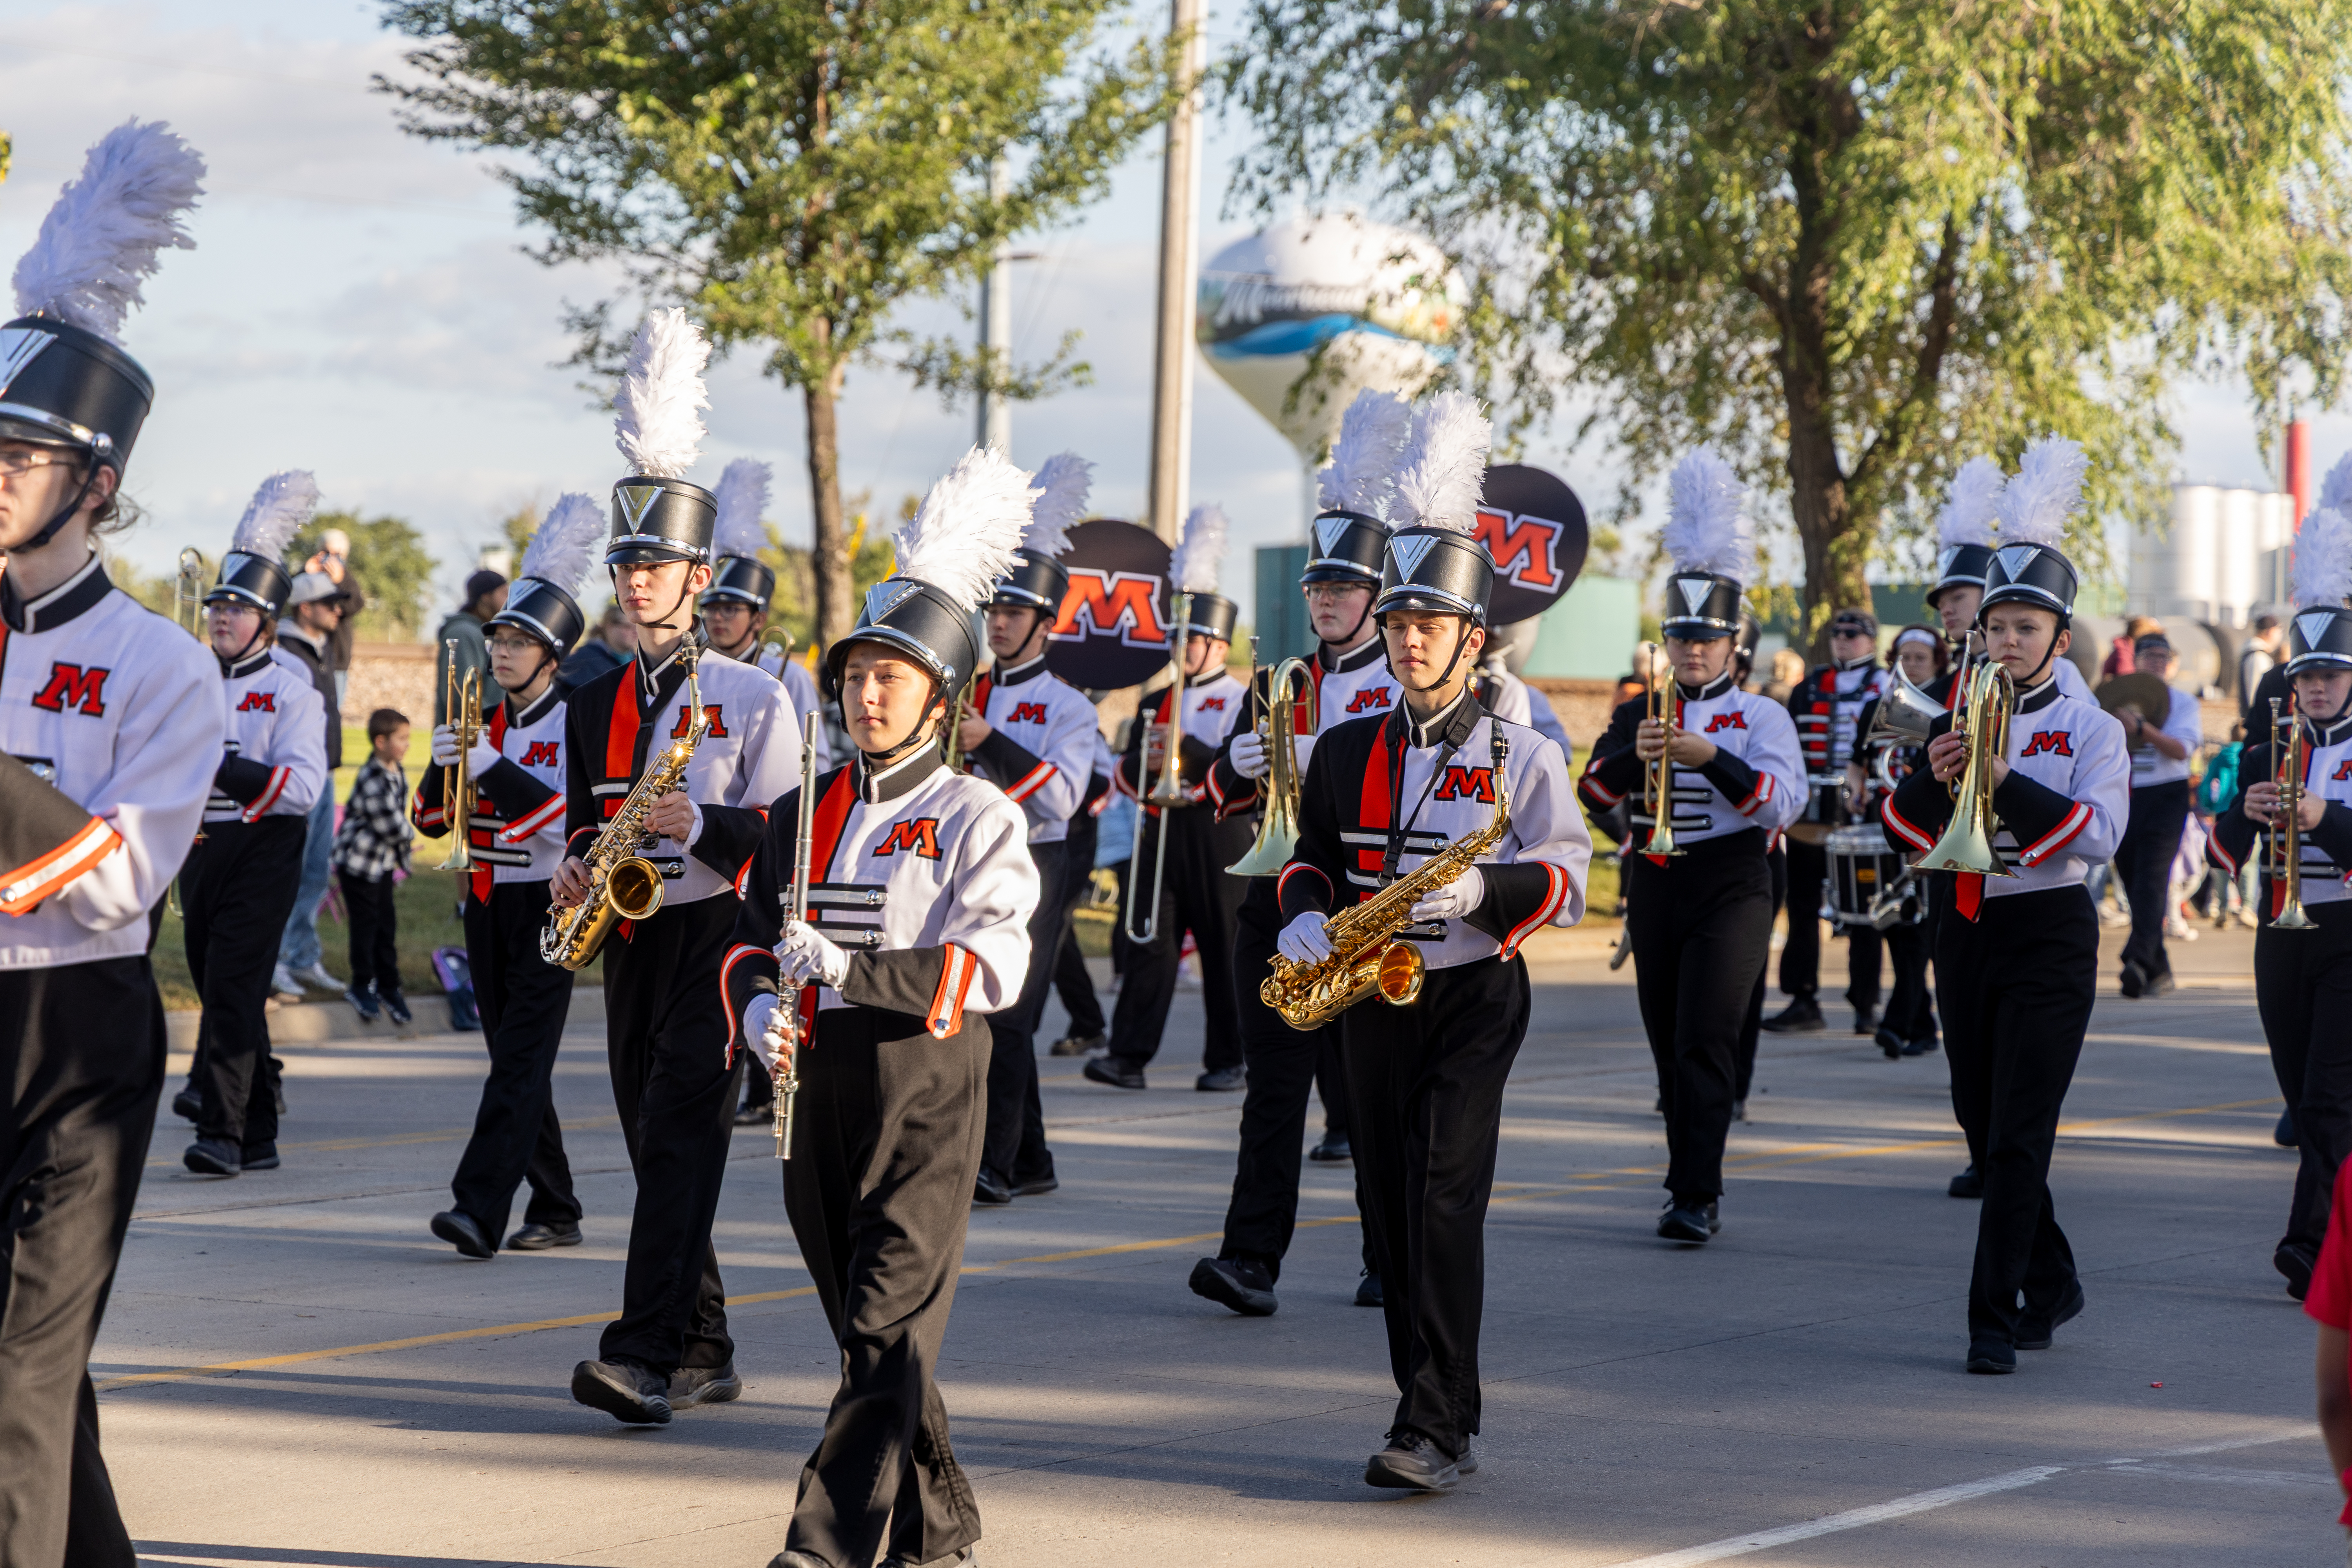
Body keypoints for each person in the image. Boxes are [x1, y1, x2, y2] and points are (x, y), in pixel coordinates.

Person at [725, 445, 1040, 1568]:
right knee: (873, 1338)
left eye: (891, 678)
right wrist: (760, 1004)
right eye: (857, 674)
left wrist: (856, 975)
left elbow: (987, 967)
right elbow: (748, 944)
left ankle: (823, 1548)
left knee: (882, 1326)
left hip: (926, 1085)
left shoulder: (976, 815)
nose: (866, 694)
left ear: (940, 699)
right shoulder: (798, 811)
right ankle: (940, 1520)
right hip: (816, 1090)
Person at [1275, 391, 1589, 1492]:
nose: (1409, 643)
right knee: (1384, 1213)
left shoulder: (1521, 747)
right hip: (1369, 993)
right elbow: (1312, 853)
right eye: (1398, 625)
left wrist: (1487, 896)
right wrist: (1304, 908)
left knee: (1445, 1196)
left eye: (1430, 627)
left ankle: (1437, 1425)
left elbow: (1570, 877)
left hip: (1470, 993)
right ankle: (1430, 1398)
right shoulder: (1343, 743)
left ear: (1472, 637)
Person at [0, 121, 219, 1566]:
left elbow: (113, 874)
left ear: (92, 481)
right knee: (34, 1382)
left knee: (16, 1378)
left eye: (16, 456)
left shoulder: (160, 668)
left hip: (72, 1033)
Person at [550, 311, 801, 1424]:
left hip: (717, 938)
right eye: (627, 562)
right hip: (628, 936)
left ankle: (644, 1353)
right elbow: (581, 813)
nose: (638, 579)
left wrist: (693, 830)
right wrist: (572, 865)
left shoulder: (753, 697)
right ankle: (704, 1341)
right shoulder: (594, 695)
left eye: (656, 563)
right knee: (657, 1149)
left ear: (700, 575)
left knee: (687, 1130)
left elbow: (785, 837)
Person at [1884, 436, 2129, 1374]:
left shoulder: (2090, 725)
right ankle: (2055, 1273)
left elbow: (2098, 832)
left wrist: (2001, 778)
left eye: (2028, 628)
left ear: (2060, 639)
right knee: (1983, 1124)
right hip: (1967, 925)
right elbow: (1905, 824)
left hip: (2050, 932)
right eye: (1996, 628)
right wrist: (1936, 771)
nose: (2008, 642)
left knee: (2021, 1132)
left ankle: (1993, 1317)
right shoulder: (1959, 709)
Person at [1190, 387, 1407, 1318]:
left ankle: (1387, 1257)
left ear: (1377, 600)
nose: (1327, 600)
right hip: (1275, 905)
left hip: (1362, 909)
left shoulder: (1399, 687)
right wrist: (1235, 760)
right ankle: (1251, 1259)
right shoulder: (1278, 682)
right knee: (1271, 1092)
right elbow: (1215, 796)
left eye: (1345, 589)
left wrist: (1327, 765)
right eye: (1319, 587)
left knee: (1366, 1097)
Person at [1581, 448, 1801, 1246]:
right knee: (1667, 1038)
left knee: (1707, 1033)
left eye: (1707, 639)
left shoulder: (1762, 715)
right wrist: (1626, 756)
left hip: (1736, 875)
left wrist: (1714, 759)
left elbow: (1783, 802)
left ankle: (1694, 1191)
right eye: (1681, 637)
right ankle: (1685, 1168)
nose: (1693, 651)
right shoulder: (1639, 708)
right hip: (1658, 874)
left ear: (1735, 643)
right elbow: (1594, 799)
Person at [417, 493, 603, 1258]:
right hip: (486, 900)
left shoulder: (580, 718)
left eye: (519, 641)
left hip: (551, 903)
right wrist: (442, 763)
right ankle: (557, 1205)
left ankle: (477, 1208)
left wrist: (491, 769)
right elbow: (433, 823)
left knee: (520, 1061)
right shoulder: (483, 721)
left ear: (552, 655)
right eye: (498, 637)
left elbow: (569, 822)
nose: (500, 651)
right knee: (514, 1063)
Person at [2207, 508, 2352, 1302]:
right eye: (2307, 677)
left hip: (2351, 926)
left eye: (2332, 675)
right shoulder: (2268, 748)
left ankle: (2309, 1248)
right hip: (2281, 930)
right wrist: (2248, 809)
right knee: (2306, 1095)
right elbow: (2221, 856)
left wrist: (2321, 816)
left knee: (2332, 1098)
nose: (2318, 687)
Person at [183, 474, 332, 1178]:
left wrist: (222, 764)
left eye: (238, 608)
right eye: (217, 604)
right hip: (198, 845)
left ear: (268, 623)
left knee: (234, 988)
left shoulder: (291, 689)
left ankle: (221, 1131)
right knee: (216, 982)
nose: (221, 616)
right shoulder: (189, 678)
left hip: (265, 844)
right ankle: (263, 1127)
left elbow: (302, 789)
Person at [962, 453, 1098, 1204]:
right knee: (990, 1010)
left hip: (1039, 863)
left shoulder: (1070, 705)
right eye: (996, 611)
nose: (1001, 623)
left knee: (1007, 1013)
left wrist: (990, 743)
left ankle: (999, 1162)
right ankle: (1035, 1157)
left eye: (1015, 614)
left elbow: (1061, 799)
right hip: (967, 860)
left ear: (1045, 623)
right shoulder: (969, 687)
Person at [1085, 503, 1251, 1093]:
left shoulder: (1239, 696)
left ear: (1220, 643)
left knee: (1223, 944)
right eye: (1180, 637)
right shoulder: (1156, 699)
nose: (1186, 648)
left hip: (1218, 828)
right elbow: (1127, 769)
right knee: (1151, 942)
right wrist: (1147, 759)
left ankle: (1229, 1057)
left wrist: (1192, 751)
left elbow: (1242, 768)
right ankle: (1127, 1056)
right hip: (1162, 828)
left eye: (1199, 639)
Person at [1762, 607, 1887, 1036]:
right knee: (1801, 904)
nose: (1844, 639)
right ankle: (1802, 998)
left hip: (1862, 810)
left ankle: (1865, 1004)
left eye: (1854, 633)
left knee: (1864, 908)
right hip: (1810, 809)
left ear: (1872, 641)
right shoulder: (1811, 684)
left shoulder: (1886, 684)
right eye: (1838, 633)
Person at [1851, 624, 1948, 1058]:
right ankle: (1922, 1024)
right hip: (1885, 822)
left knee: (1918, 924)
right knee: (1896, 923)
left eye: (1919, 659)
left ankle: (1896, 1022)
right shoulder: (1877, 705)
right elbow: (1859, 759)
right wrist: (1856, 788)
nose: (1909, 666)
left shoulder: (1950, 708)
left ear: (1937, 664)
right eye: (1903, 658)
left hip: (1928, 826)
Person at [701, 455, 828, 766]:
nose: (717, 618)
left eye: (730, 609)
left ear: (759, 618)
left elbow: (818, 760)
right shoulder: (693, 672)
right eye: (711, 608)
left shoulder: (791, 677)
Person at [2111, 631, 2203, 996]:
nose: (2158, 662)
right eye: (2150, 656)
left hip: (2166, 796)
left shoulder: (2182, 702)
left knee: (2153, 877)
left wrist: (2142, 729)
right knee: (2132, 878)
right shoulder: (2117, 698)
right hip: (2125, 794)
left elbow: (2182, 750)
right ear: (2137, 660)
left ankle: (2135, 959)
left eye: (2164, 657)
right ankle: (2157, 968)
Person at [273, 568, 349, 998]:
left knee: (317, 871)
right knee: (294, 870)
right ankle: (280, 958)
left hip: (325, 773)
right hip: (302, 774)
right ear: (306, 608)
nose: (338, 610)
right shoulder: (288, 650)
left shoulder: (318, 647)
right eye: (329, 603)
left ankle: (302, 955)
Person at [332, 708, 414, 1023]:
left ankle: (389, 985)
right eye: (402, 739)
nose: (408, 744)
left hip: (380, 865)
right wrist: (418, 831)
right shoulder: (372, 777)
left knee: (385, 925)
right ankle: (361, 984)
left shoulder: (396, 770)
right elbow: (393, 827)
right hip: (358, 865)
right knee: (366, 926)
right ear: (381, 742)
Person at [435, 567, 507, 727]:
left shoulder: (480, 632)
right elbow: (461, 694)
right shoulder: (464, 633)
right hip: (468, 742)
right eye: (504, 593)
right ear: (486, 597)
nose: (508, 600)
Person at [306, 524, 364, 704]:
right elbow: (293, 602)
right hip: (308, 655)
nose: (331, 559)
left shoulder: (347, 578)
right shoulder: (308, 575)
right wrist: (306, 573)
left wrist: (339, 581)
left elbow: (356, 604)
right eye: (326, 553)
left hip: (337, 656)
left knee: (333, 710)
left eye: (337, 555)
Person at [559, 601, 635, 689]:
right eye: (628, 627)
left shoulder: (641, 662)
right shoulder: (584, 659)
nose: (635, 632)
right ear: (610, 627)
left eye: (638, 627)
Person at [2241, 612, 2284, 721]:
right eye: (2280, 631)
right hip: (2256, 721)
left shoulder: (2254, 653)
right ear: (2271, 632)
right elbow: (2256, 694)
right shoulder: (2258, 657)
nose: (2281, 636)